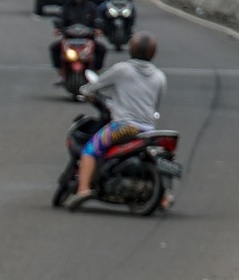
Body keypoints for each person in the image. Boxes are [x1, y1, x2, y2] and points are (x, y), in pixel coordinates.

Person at [65, 31, 167, 210]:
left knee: (89, 150)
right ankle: (164, 198)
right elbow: (156, 105)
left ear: (132, 49)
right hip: (148, 130)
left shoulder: (122, 69)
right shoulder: (160, 76)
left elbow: (96, 85)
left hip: (124, 127)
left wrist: (85, 91)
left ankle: (83, 189)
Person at [49, 0, 107, 83]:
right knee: (54, 48)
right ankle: (61, 71)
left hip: (87, 38)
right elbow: (59, 19)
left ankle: (96, 71)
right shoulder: (66, 8)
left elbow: (98, 19)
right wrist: (58, 28)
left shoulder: (91, 7)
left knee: (101, 49)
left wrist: (98, 28)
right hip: (69, 39)